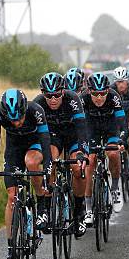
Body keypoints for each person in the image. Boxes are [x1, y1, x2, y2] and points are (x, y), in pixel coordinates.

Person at [0, 89, 52, 259]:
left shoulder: (36, 110)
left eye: (20, 118)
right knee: (12, 197)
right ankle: (10, 252)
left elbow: (46, 142)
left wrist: (47, 167)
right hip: (13, 149)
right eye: (12, 120)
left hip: (35, 144)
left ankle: (43, 206)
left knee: (31, 163)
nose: (16, 123)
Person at [33, 73, 89, 237]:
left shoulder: (73, 99)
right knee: (50, 163)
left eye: (57, 95)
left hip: (73, 136)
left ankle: (79, 214)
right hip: (52, 137)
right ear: (43, 93)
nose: (53, 99)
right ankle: (48, 210)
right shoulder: (38, 103)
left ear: (63, 92)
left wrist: (83, 153)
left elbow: (82, 128)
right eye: (48, 95)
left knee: (78, 169)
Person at [81, 72, 126, 223]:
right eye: (95, 93)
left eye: (102, 93)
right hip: (91, 129)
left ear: (108, 90)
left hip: (110, 128)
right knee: (90, 161)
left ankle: (115, 187)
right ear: (89, 91)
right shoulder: (83, 98)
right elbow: (79, 124)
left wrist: (122, 139)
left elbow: (121, 121)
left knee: (113, 154)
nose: (99, 97)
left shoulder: (114, 96)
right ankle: (88, 208)